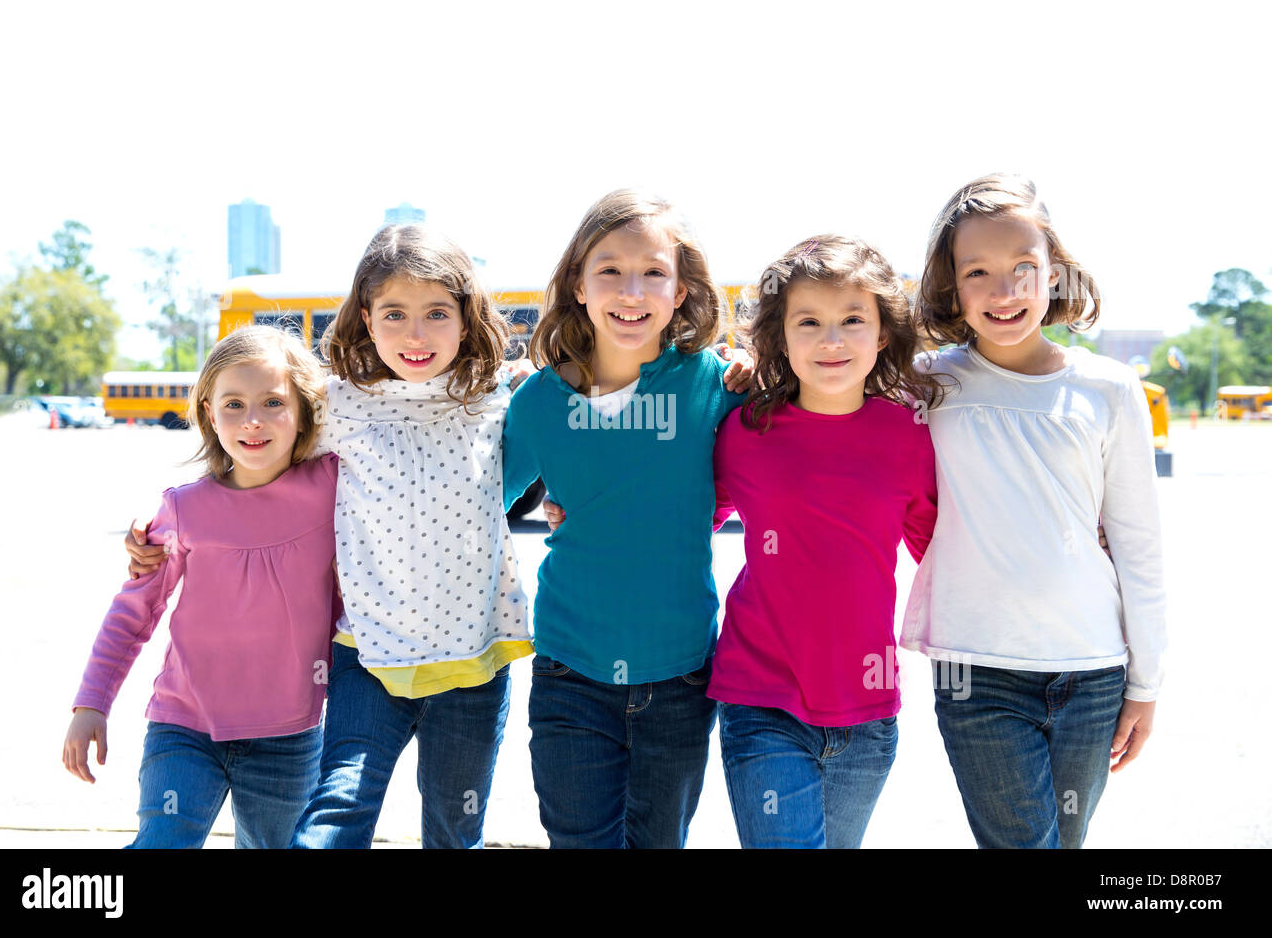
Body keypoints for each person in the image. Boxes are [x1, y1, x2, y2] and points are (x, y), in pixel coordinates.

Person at [126, 225, 533, 849]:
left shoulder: (496, 401)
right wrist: (168, 531)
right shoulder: (338, 407)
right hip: (365, 656)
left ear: (467, 318)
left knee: (455, 828)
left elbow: (565, 442)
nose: (415, 334)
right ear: (366, 319)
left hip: (473, 662)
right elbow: (256, 458)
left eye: (436, 313)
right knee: (335, 817)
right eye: (394, 314)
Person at [901, 173, 1166, 848]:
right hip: (976, 672)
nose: (1004, 289)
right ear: (952, 287)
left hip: (1094, 671)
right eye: (978, 272)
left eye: (1024, 267)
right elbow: (826, 379)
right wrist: (749, 373)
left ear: (1054, 273)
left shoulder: (1109, 388)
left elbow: (1139, 544)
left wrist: (1146, 682)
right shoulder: (926, 382)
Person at [503, 189, 751, 848]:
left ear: (682, 290)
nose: (631, 288)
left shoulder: (715, 386)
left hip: (681, 676)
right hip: (569, 672)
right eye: (608, 269)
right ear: (579, 286)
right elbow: (475, 507)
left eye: (653, 271)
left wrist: (771, 375)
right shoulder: (539, 401)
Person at [62, 325, 338, 848]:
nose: (252, 420)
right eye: (233, 403)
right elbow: (133, 613)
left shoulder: (333, 486)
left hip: (289, 737)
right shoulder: (183, 509)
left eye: (274, 402)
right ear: (209, 413)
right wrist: (91, 703)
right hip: (184, 726)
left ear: (304, 411)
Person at [707, 235, 941, 848]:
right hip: (760, 695)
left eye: (852, 321)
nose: (831, 339)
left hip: (867, 706)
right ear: (779, 337)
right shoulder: (744, 429)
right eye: (808, 322)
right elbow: (684, 519)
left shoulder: (910, 435)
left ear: (883, 334)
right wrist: (581, 507)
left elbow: (941, 553)